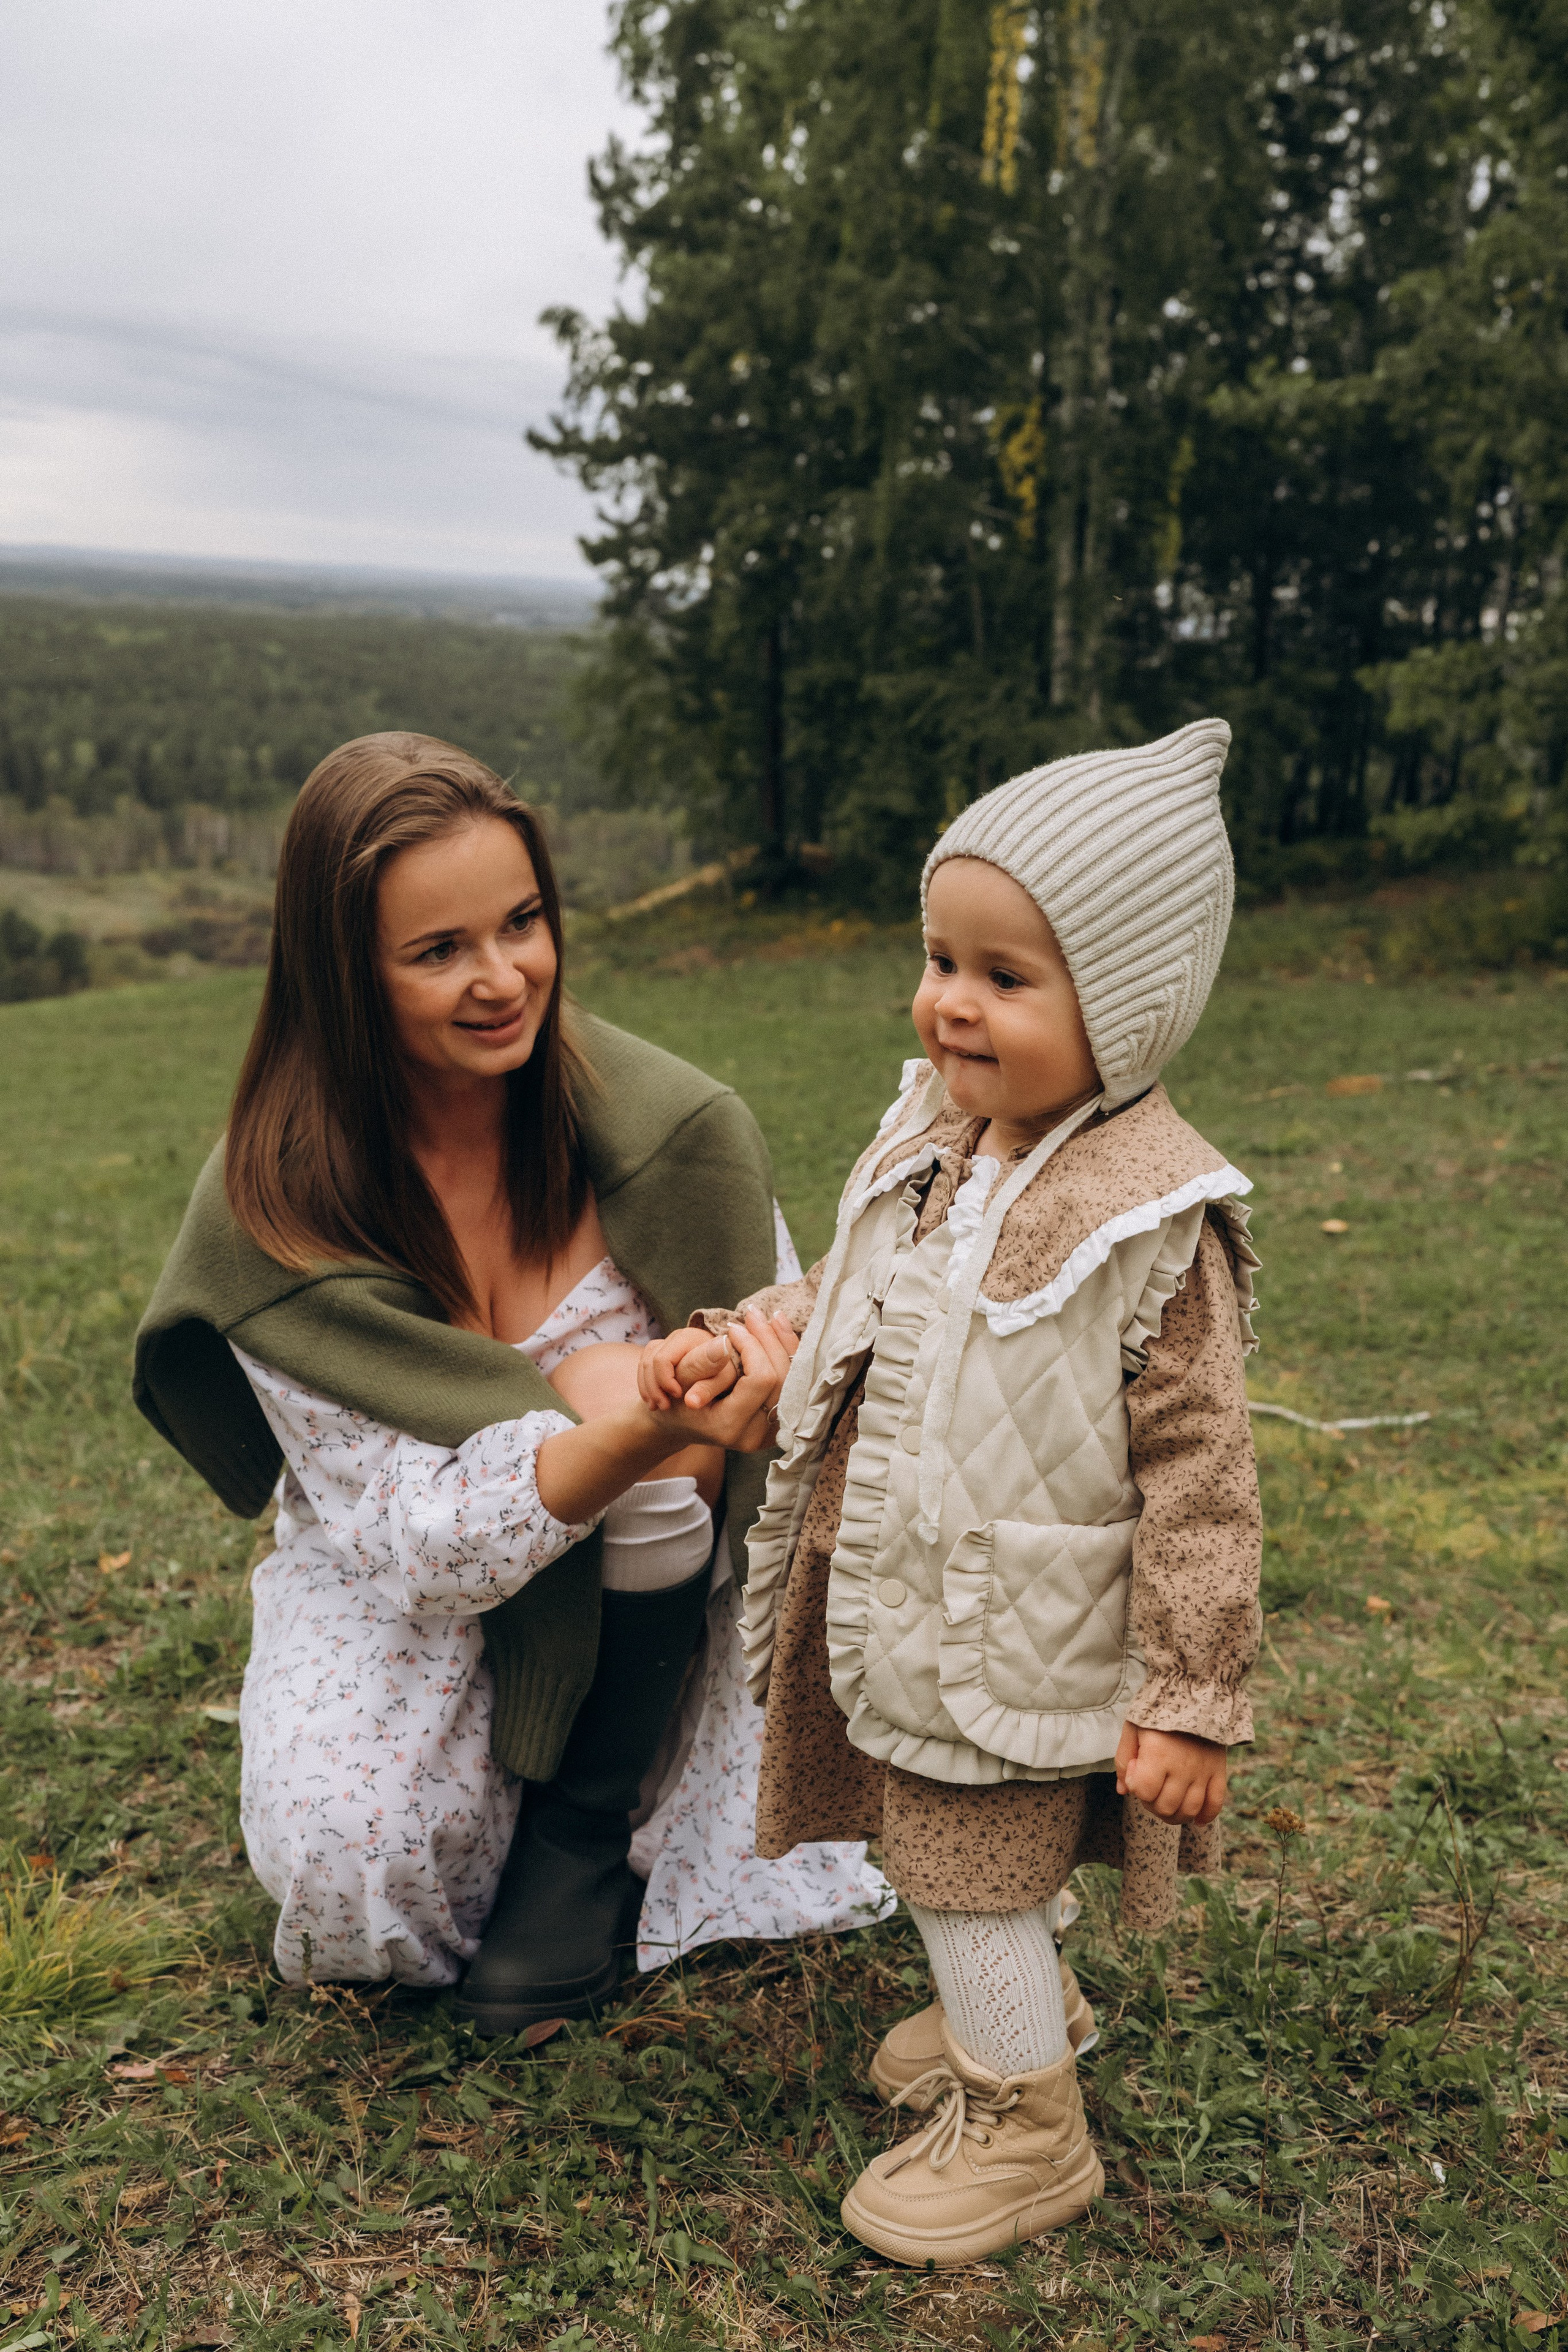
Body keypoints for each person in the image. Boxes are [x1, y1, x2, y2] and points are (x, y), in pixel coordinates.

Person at [134, 732, 891, 2026]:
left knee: (615, 1373)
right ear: (342, 974)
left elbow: (777, 1408)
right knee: (360, 1877)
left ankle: (586, 1827)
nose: (503, 980)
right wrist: (632, 1420)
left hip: (666, 1585)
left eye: (523, 923)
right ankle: (520, 1813)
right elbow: (421, 1546)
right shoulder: (277, 1207)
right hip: (416, 1574)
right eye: (438, 951)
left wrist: (746, 1384)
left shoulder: (675, 1132)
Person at [640, 720, 1263, 2266]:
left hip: (1019, 1621)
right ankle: (1024, 2007)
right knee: (936, 1838)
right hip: (902, 1587)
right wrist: (757, 1338)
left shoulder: (1149, 1223)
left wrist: (1189, 1692)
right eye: (939, 959)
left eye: (1005, 977)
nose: (950, 1003)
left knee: (960, 1863)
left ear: (1122, 1006)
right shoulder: (933, 1140)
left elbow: (1202, 1476)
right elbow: (862, 1297)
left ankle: (1026, 2124)